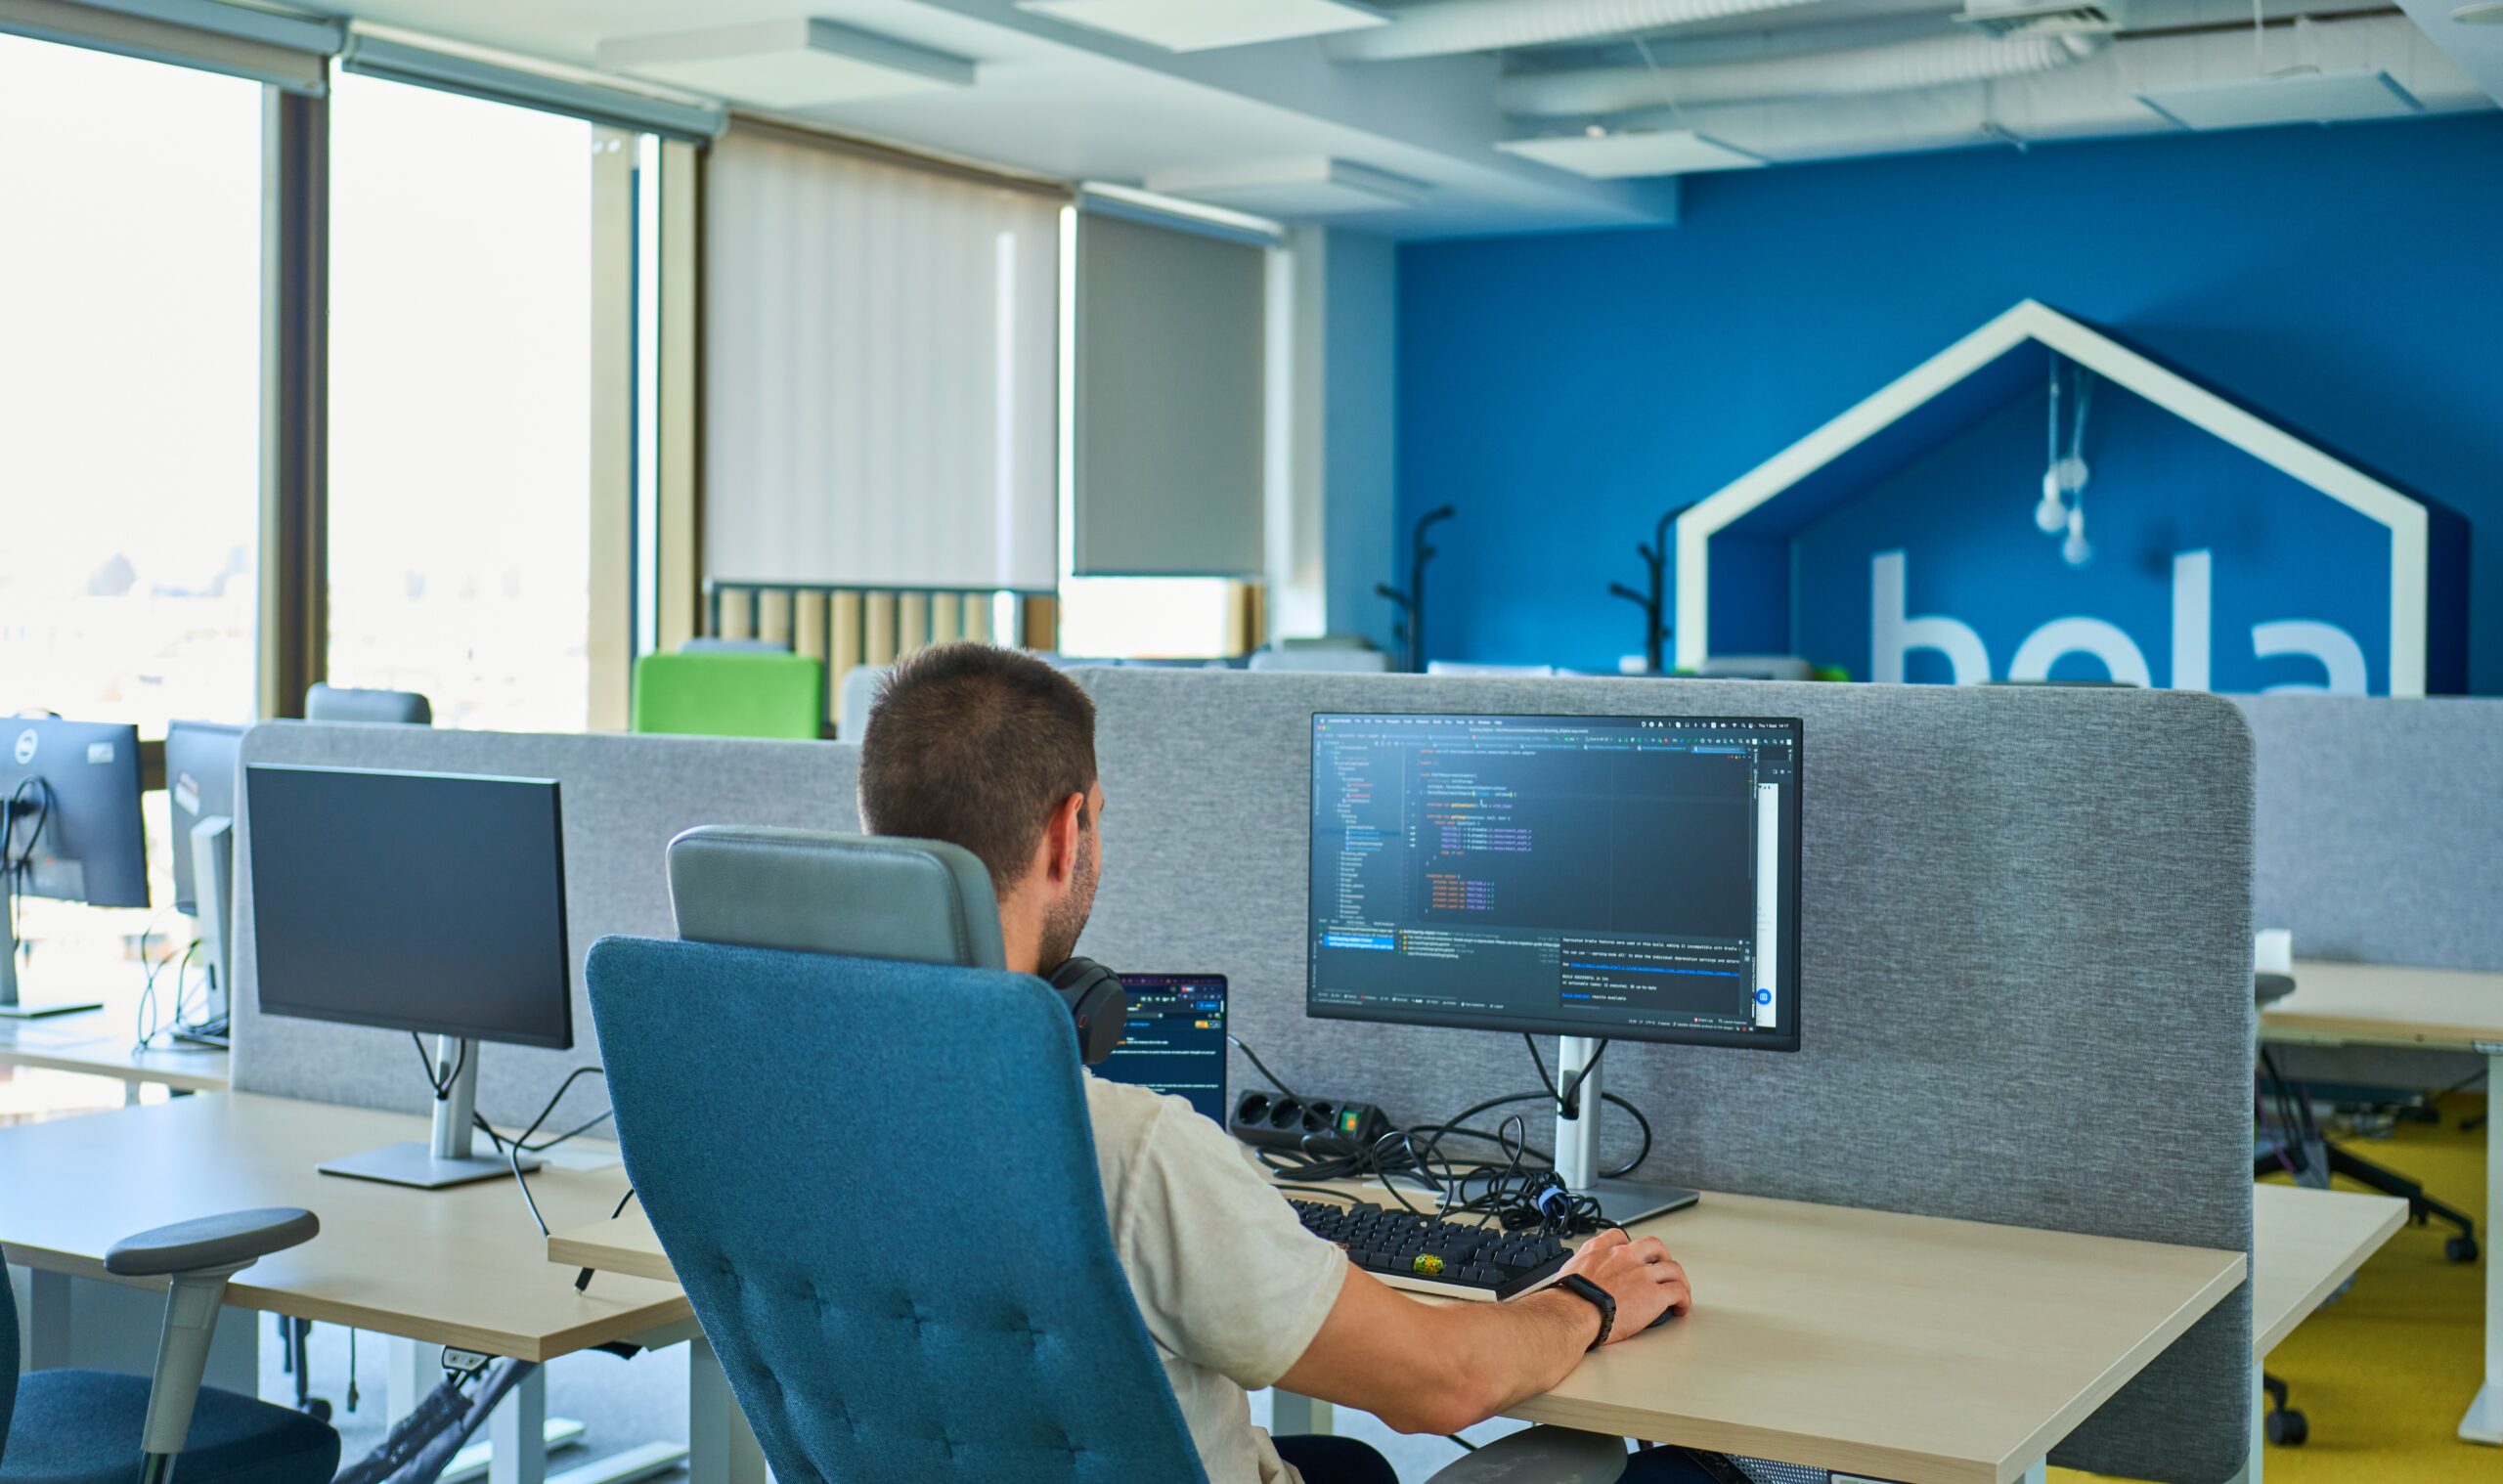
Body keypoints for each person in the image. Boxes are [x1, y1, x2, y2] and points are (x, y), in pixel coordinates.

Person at [857, 642, 1709, 1484]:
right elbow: (1441, 1387)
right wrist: (1587, 1300)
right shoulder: (1129, 1152)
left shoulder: (779, 1108)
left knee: (1347, 1465)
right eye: (1100, 819)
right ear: (1063, 834)